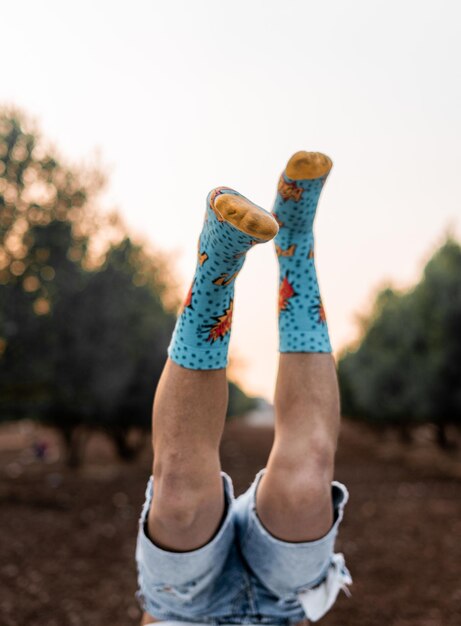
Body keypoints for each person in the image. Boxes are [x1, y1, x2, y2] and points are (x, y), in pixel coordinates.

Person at [135, 152, 352, 626]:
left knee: (178, 492)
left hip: (181, 606)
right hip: (283, 602)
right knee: (308, 472)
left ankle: (218, 257)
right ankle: (293, 238)